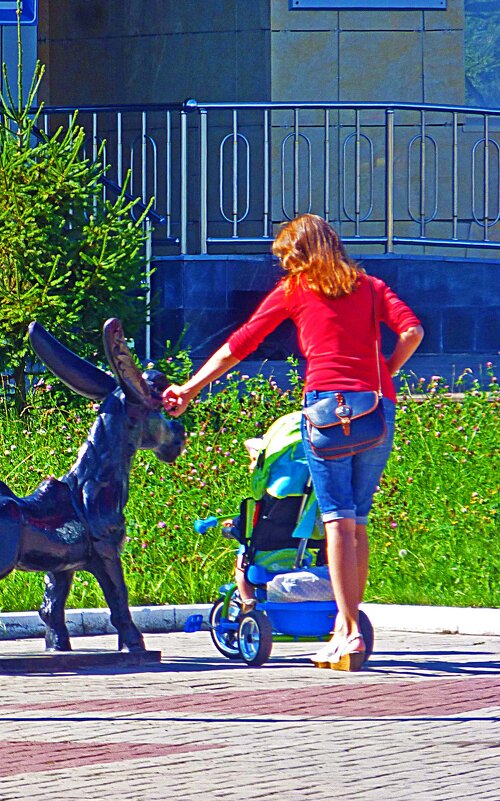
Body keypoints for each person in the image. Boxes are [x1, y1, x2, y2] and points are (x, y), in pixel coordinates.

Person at [162, 214, 423, 672]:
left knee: (337, 520)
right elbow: (413, 331)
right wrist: (387, 371)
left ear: (301, 255)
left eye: (287, 258)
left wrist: (190, 388)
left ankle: (348, 630)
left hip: (326, 411)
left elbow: (239, 345)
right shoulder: (370, 286)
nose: (284, 268)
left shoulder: (295, 290)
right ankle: (347, 628)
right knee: (359, 522)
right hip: (378, 410)